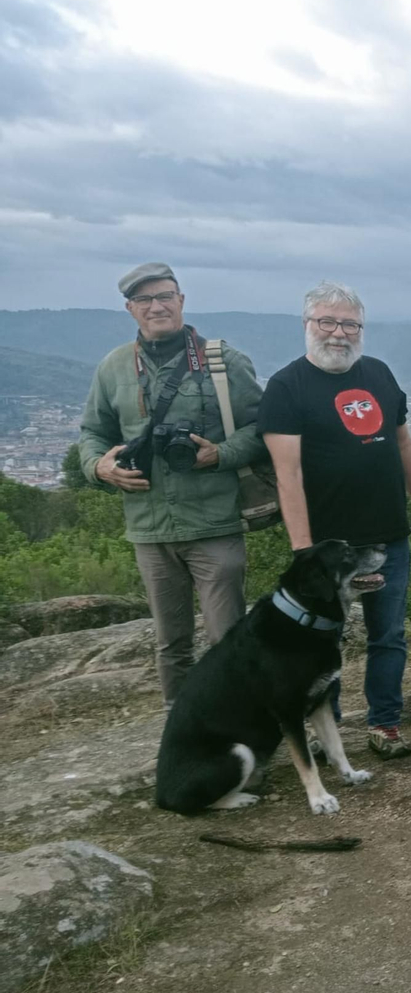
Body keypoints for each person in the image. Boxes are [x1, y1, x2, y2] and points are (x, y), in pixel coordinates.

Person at [78, 262, 266, 706]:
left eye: (165, 296)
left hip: (214, 522)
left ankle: (240, 738)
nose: (156, 306)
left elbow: (262, 428)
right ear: (130, 309)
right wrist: (98, 468)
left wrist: (220, 453)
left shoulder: (223, 362)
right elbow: (93, 432)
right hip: (149, 526)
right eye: (144, 300)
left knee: (228, 639)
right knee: (171, 644)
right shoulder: (114, 367)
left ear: (181, 301)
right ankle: (184, 744)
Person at [262, 282, 411, 760]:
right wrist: (302, 552)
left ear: (361, 329)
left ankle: (385, 723)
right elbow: (287, 474)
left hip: (387, 535)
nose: (339, 333)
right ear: (307, 325)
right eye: (327, 322)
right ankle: (325, 728)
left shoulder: (378, 374)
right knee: (321, 641)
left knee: (389, 636)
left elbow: (403, 445)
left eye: (349, 324)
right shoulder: (286, 387)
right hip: (327, 548)